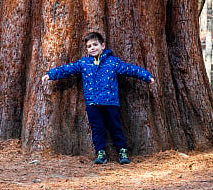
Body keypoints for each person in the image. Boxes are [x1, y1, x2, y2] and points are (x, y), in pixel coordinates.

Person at [42, 31, 155, 164]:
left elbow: (130, 69)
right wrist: (50, 74)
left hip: (110, 102)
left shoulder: (112, 62)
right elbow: (68, 69)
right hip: (92, 103)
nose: (93, 48)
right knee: (97, 128)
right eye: (89, 46)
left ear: (103, 46)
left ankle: (122, 151)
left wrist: (147, 76)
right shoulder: (84, 63)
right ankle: (100, 152)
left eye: (95, 45)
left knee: (115, 127)